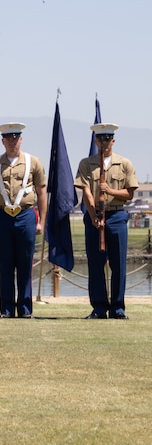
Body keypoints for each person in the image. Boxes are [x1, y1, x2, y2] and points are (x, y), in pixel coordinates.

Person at [75, 123, 137, 320]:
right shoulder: (87, 163)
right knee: (95, 263)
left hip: (116, 216)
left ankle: (118, 307)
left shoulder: (124, 163)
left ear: (113, 140)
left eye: (107, 139)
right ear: (96, 141)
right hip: (95, 217)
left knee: (118, 264)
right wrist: (93, 216)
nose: (104, 143)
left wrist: (110, 191)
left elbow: (129, 193)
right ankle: (99, 307)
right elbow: (85, 191)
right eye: (100, 139)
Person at [0, 123, 46, 318]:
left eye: (15, 138)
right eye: (8, 138)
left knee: (26, 263)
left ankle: (25, 309)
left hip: (26, 215)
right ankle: (7, 309)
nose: (12, 142)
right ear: (3, 141)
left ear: (21, 139)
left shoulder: (33, 162)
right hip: (2, 216)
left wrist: (41, 221)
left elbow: (42, 194)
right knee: (5, 264)